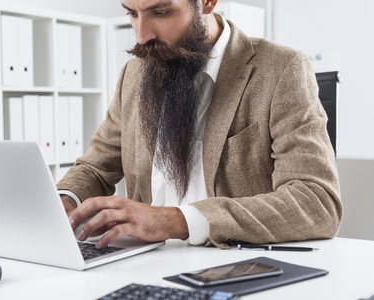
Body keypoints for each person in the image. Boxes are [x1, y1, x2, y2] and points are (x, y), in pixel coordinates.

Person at [57, 0, 343, 250]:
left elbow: (317, 202)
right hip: (144, 263)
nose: (142, 36)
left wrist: (176, 220)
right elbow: (95, 168)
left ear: (207, 2)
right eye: (132, 14)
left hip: (231, 267)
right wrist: (63, 201)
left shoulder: (281, 68)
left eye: (160, 12)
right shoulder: (134, 74)